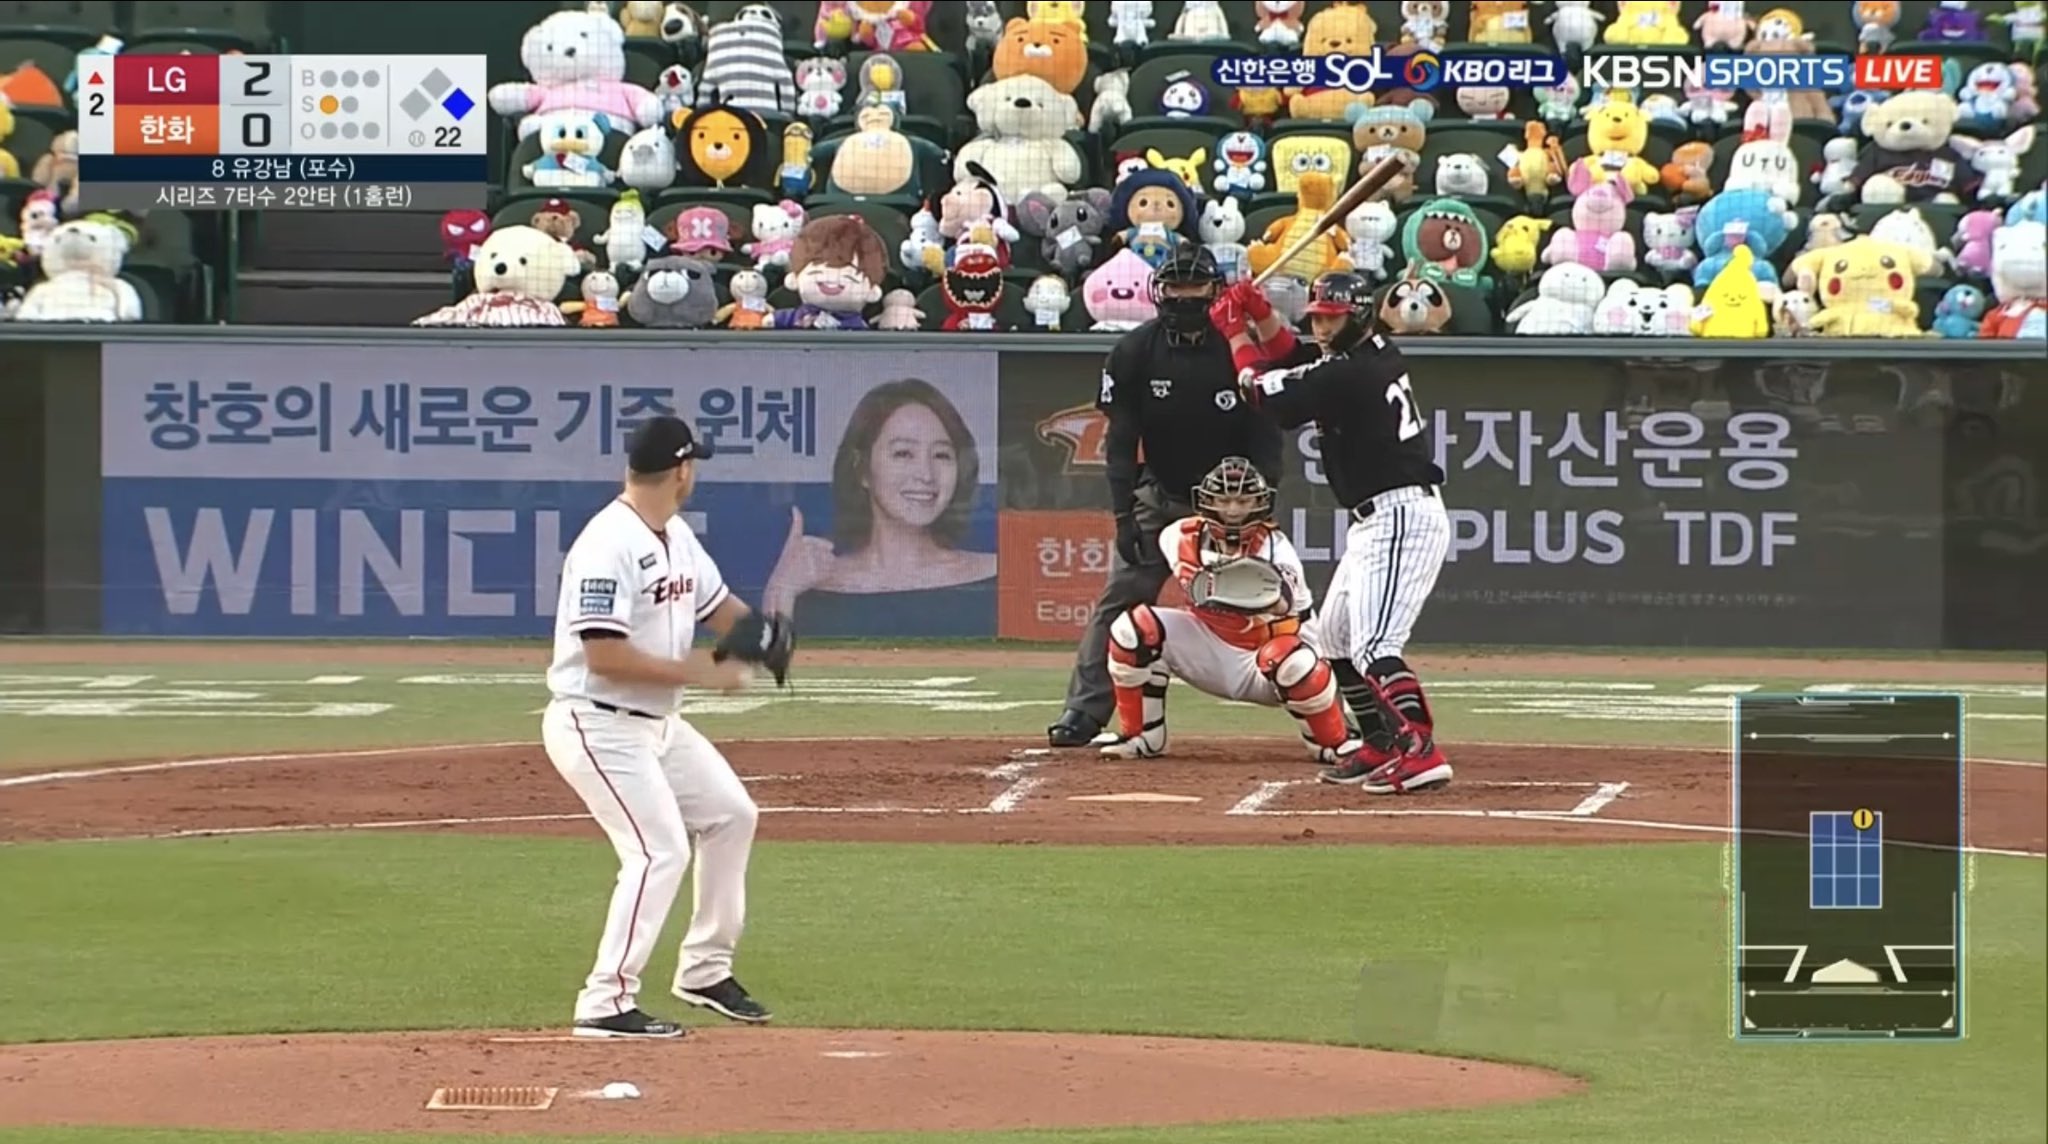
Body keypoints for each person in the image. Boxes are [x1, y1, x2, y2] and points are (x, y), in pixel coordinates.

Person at [539, 415, 774, 1038]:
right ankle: (605, 1001)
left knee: (731, 815)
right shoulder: (607, 542)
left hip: (658, 726)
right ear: (682, 470)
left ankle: (705, 970)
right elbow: (604, 656)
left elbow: (722, 610)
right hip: (597, 724)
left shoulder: (676, 536)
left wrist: (764, 636)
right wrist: (702, 672)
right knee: (658, 850)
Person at [1208, 270, 1454, 795]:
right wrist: (1259, 312)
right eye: (1317, 317)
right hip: (1374, 520)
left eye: (1332, 318)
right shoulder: (1366, 355)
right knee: (1336, 639)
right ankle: (1380, 742)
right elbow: (1296, 359)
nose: (1321, 327)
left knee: (1375, 646)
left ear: (1358, 316)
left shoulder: (1350, 374)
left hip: (1401, 517)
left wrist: (1233, 331)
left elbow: (1265, 393)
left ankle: (1421, 750)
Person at [1047, 244, 1286, 749]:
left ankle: (1325, 706)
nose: (1184, 296)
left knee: (1274, 601)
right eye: (1174, 286)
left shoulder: (1238, 351)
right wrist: (1123, 515)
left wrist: (1262, 505)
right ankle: (1084, 711)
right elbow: (1120, 440)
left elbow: (1267, 435)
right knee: (1121, 598)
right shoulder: (1134, 351)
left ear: (1214, 291)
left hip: (1234, 506)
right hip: (1162, 495)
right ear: (1159, 292)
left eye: (1194, 286)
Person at [1103, 456, 1365, 765]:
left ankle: (1333, 740)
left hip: (1267, 659)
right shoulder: (1176, 537)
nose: (1232, 510)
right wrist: (1224, 577)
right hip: (1212, 646)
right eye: (1224, 500)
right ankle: (1142, 736)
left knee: (1294, 661)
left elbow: (1285, 604)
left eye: (1243, 501)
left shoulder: (1276, 548)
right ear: (1206, 501)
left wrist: (1254, 592)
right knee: (1132, 629)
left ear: (1259, 503)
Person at [760, 378, 995, 635]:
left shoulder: (998, 577)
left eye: (941, 455)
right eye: (903, 454)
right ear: (862, 469)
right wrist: (781, 591)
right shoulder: (811, 584)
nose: (926, 475)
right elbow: (770, 658)